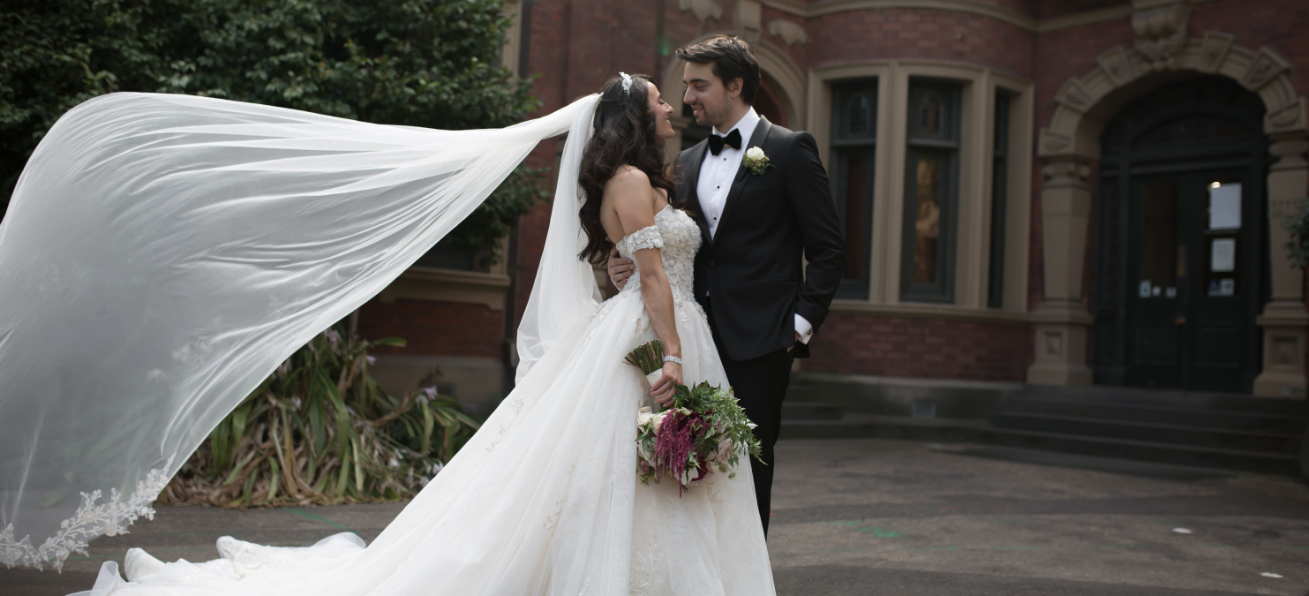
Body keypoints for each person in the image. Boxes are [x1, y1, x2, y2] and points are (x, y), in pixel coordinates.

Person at [74, 74, 776, 596]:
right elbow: (650, 280)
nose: (667, 103)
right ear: (632, 114)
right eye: (657, 96)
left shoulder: (646, 178)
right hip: (654, 337)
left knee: (660, 466)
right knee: (628, 462)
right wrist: (673, 357)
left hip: (667, 326)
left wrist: (649, 302)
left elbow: (631, 269)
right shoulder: (628, 178)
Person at [608, 36, 845, 535]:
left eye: (699, 85)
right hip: (693, 334)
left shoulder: (789, 149)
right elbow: (668, 239)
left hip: (762, 339)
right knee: (688, 465)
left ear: (735, 85)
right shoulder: (687, 162)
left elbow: (828, 249)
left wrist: (796, 327)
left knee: (747, 468)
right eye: (687, 87)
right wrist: (620, 264)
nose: (689, 97)